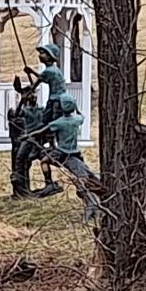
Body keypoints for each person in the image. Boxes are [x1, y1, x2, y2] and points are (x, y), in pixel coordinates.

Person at [37, 92, 101, 220]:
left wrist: (29, 135)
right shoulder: (77, 120)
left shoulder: (59, 123)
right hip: (75, 152)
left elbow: (42, 131)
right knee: (84, 174)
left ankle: (49, 182)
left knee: (44, 161)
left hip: (62, 153)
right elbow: (82, 116)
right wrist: (77, 109)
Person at [7, 75, 62, 199]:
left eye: (34, 94)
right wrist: (21, 101)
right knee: (20, 158)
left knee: (45, 160)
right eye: (30, 95)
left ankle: (49, 182)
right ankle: (18, 178)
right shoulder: (25, 111)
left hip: (40, 139)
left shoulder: (41, 109)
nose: (33, 96)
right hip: (30, 138)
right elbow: (16, 114)